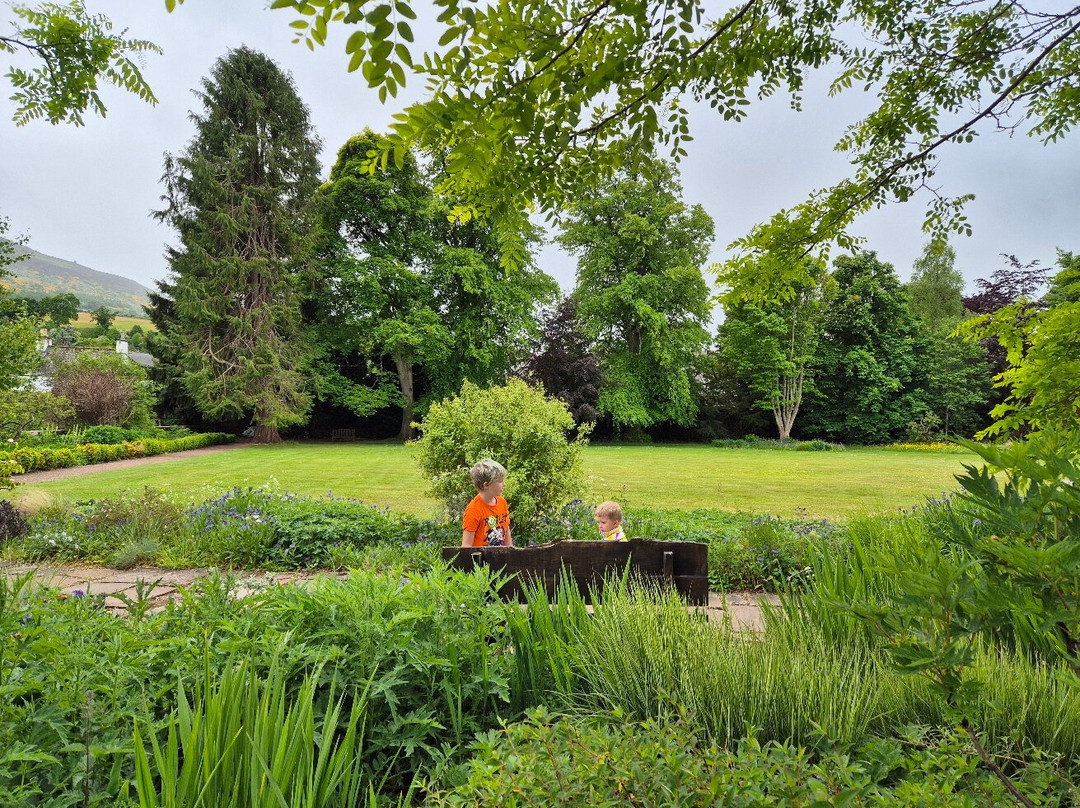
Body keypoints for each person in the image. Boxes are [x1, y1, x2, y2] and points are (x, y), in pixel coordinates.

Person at [461, 458, 512, 547]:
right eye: (500, 481)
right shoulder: (473, 510)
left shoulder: (502, 502)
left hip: (502, 557)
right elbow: (466, 546)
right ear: (486, 485)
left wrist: (511, 553)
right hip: (481, 559)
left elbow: (506, 530)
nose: (504, 485)